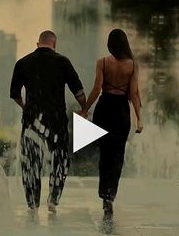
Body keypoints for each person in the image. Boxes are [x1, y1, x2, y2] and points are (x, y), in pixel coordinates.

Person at [10, 31, 86, 214]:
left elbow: (14, 94)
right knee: (60, 159)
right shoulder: (62, 61)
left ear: (38, 44)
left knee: (31, 160)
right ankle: (53, 199)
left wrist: (25, 106)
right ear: (54, 44)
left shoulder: (23, 62)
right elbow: (79, 91)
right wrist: (84, 108)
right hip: (56, 119)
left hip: (32, 119)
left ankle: (33, 203)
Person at [79, 29, 143, 216]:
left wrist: (85, 109)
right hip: (121, 111)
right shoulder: (132, 65)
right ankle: (110, 195)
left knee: (105, 154)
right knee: (118, 155)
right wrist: (140, 119)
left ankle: (103, 193)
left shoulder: (103, 63)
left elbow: (97, 88)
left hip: (104, 109)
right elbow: (133, 94)